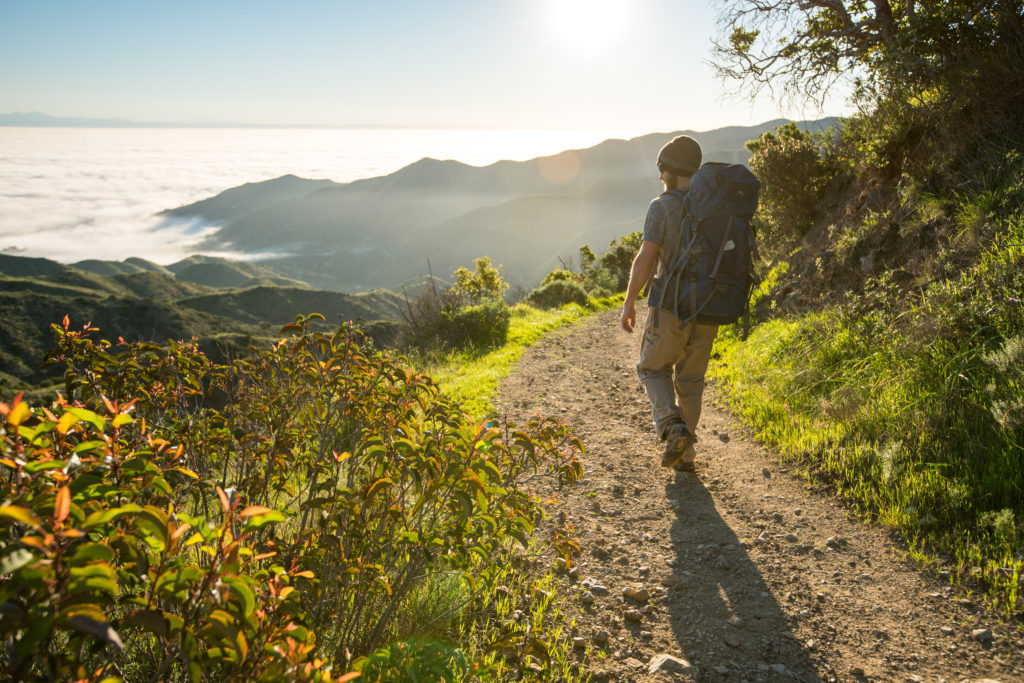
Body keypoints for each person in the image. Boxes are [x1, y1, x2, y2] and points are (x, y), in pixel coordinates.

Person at [620, 135, 718, 472]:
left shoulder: (661, 206)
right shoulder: (715, 205)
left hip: (671, 307)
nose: (660, 178)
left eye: (662, 171)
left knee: (651, 368)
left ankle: (672, 427)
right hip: (710, 307)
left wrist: (629, 302)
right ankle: (685, 458)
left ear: (673, 172)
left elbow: (645, 260)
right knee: (690, 383)